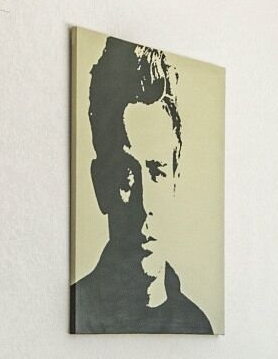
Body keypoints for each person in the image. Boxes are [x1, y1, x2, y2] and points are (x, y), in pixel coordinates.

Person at [71, 37, 213, 334]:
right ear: (101, 185)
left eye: (158, 171)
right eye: (126, 177)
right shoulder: (80, 310)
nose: (145, 206)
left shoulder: (197, 325)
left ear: (176, 179)